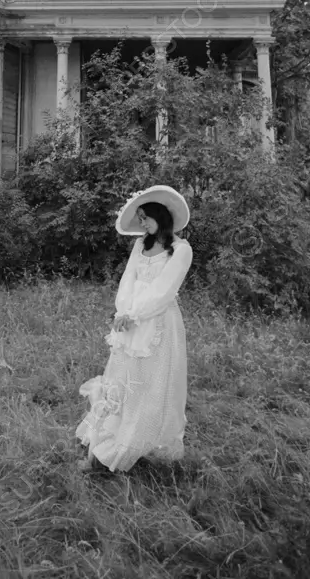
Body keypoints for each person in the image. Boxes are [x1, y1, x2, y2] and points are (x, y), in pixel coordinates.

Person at [75, 185, 193, 473]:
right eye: (139, 218)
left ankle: (140, 438)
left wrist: (137, 314)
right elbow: (128, 279)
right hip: (131, 321)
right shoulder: (141, 245)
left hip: (159, 324)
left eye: (145, 217)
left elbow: (165, 290)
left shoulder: (181, 250)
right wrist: (124, 311)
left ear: (159, 216)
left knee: (152, 383)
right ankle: (113, 434)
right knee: (123, 379)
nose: (142, 224)